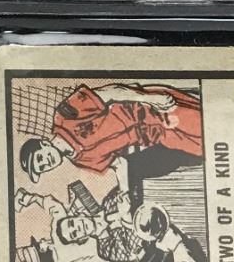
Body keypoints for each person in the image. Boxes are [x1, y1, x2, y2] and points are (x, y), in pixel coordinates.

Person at [18, 79, 203, 189]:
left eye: (40, 158)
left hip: (151, 108)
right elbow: (119, 164)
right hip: (158, 136)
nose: (47, 163)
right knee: (204, 149)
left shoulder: (65, 116)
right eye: (43, 168)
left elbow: (112, 92)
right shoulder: (81, 162)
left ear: (43, 143)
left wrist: (149, 98)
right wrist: (124, 193)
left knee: (205, 126)